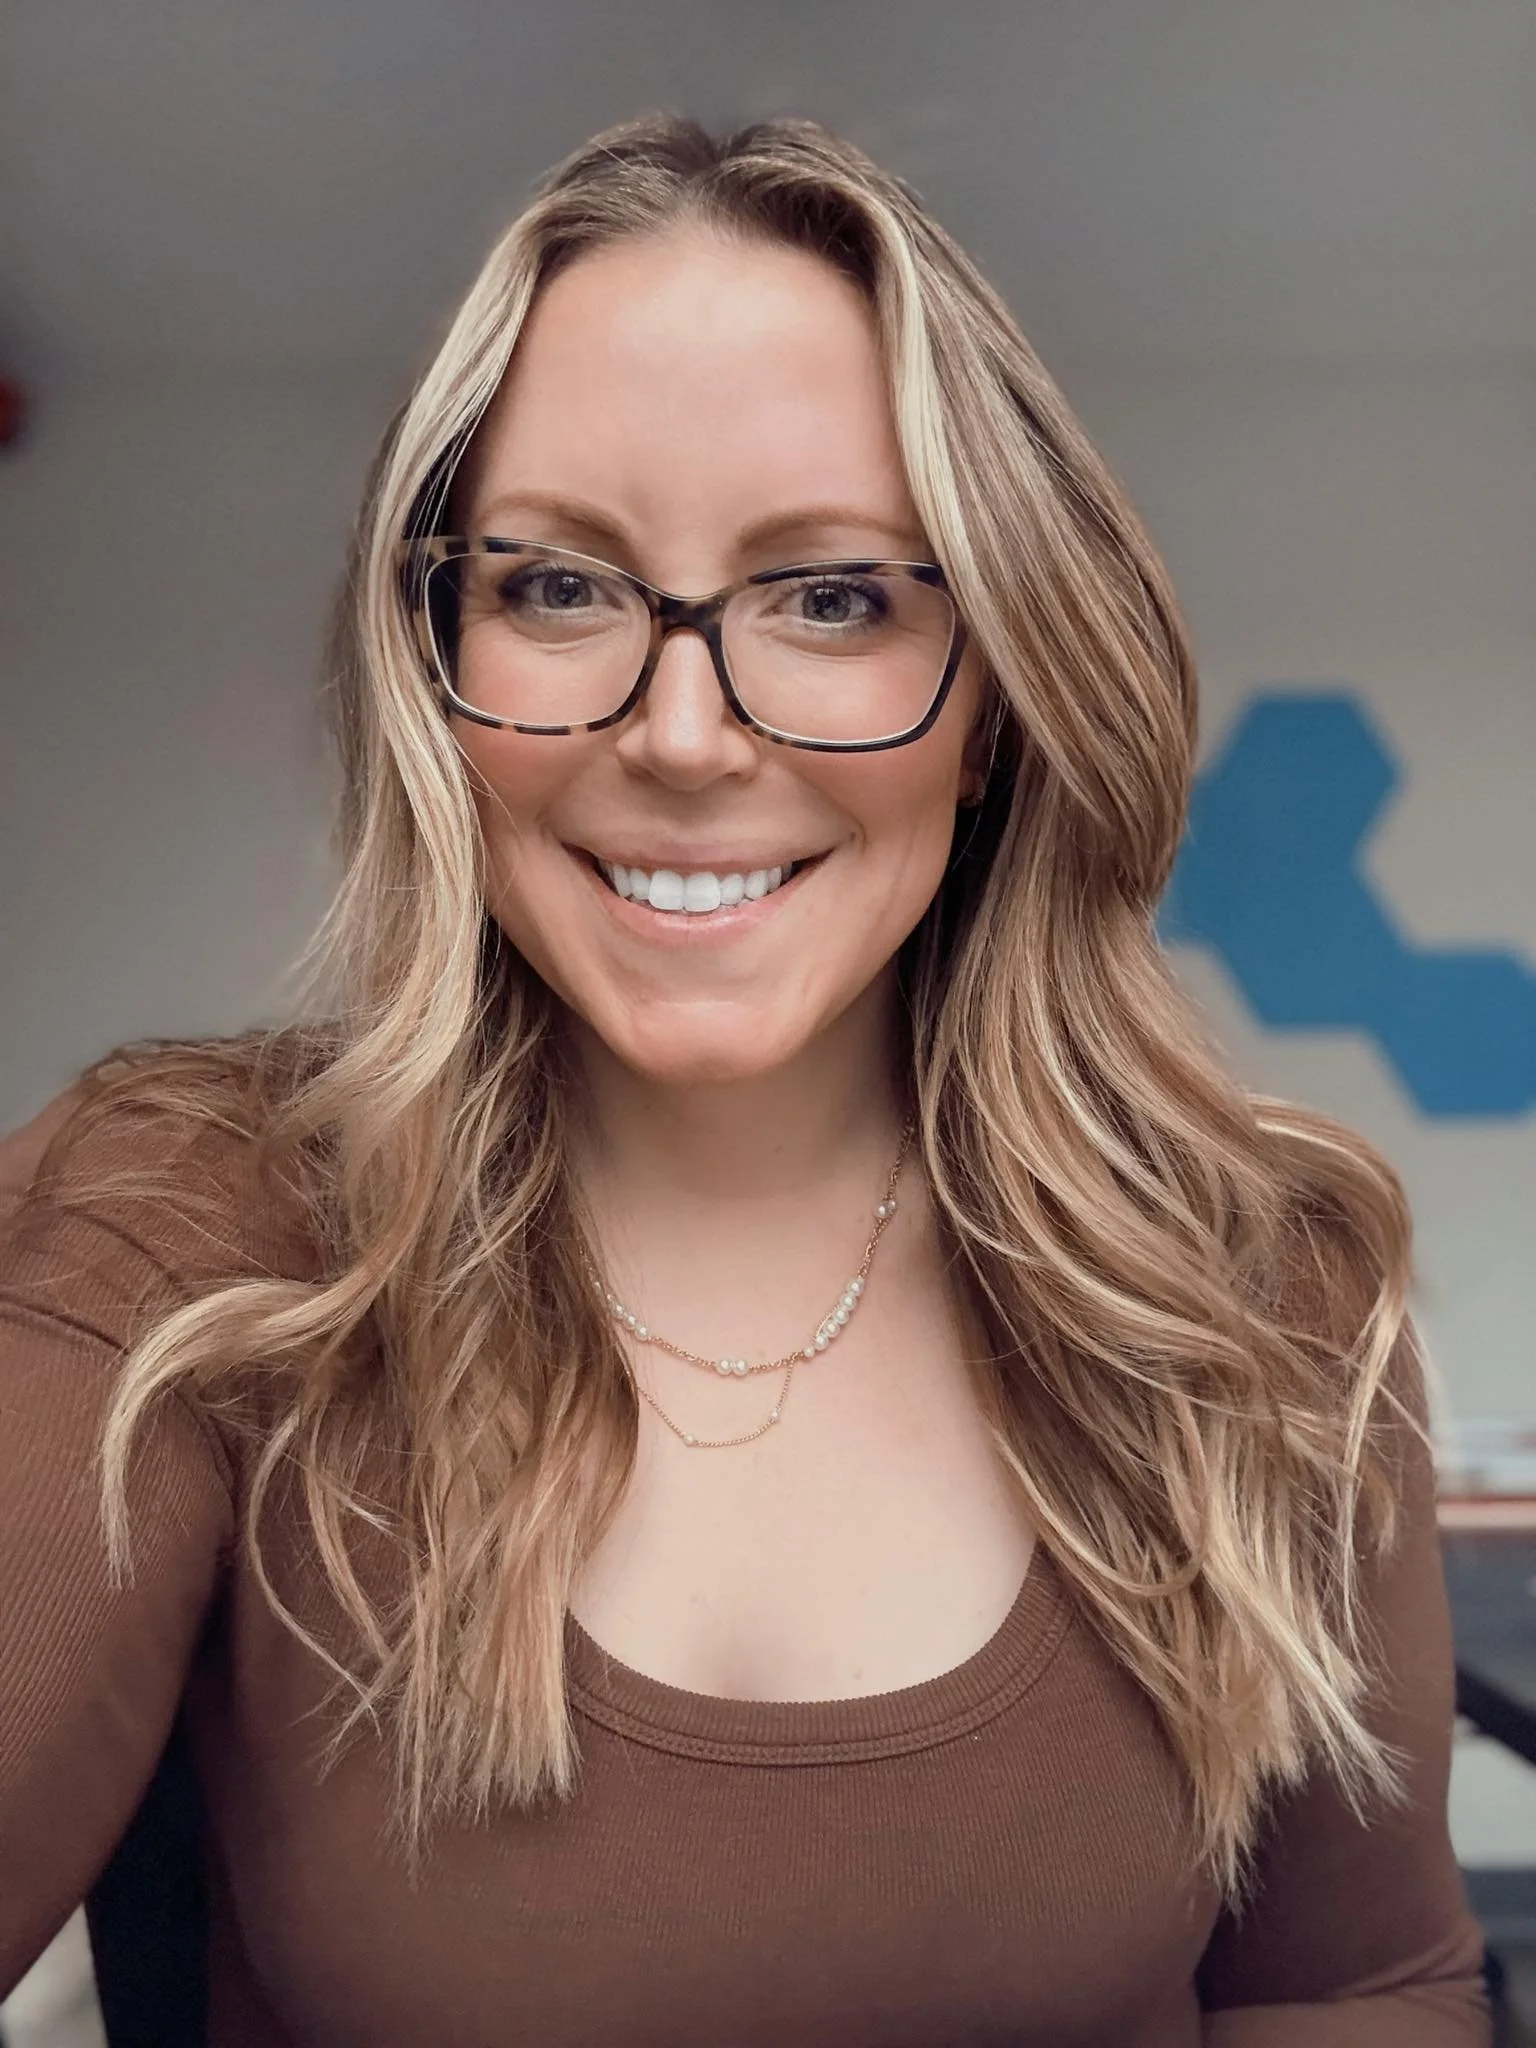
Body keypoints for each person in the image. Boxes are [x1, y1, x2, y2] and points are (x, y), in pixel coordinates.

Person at [0, 114, 1491, 2046]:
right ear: (433, 676)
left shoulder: (1256, 1289)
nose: (684, 736)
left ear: (994, 703)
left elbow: (1357, 1989)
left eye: (835, 598)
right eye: (557, 591)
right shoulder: (183, 1219)